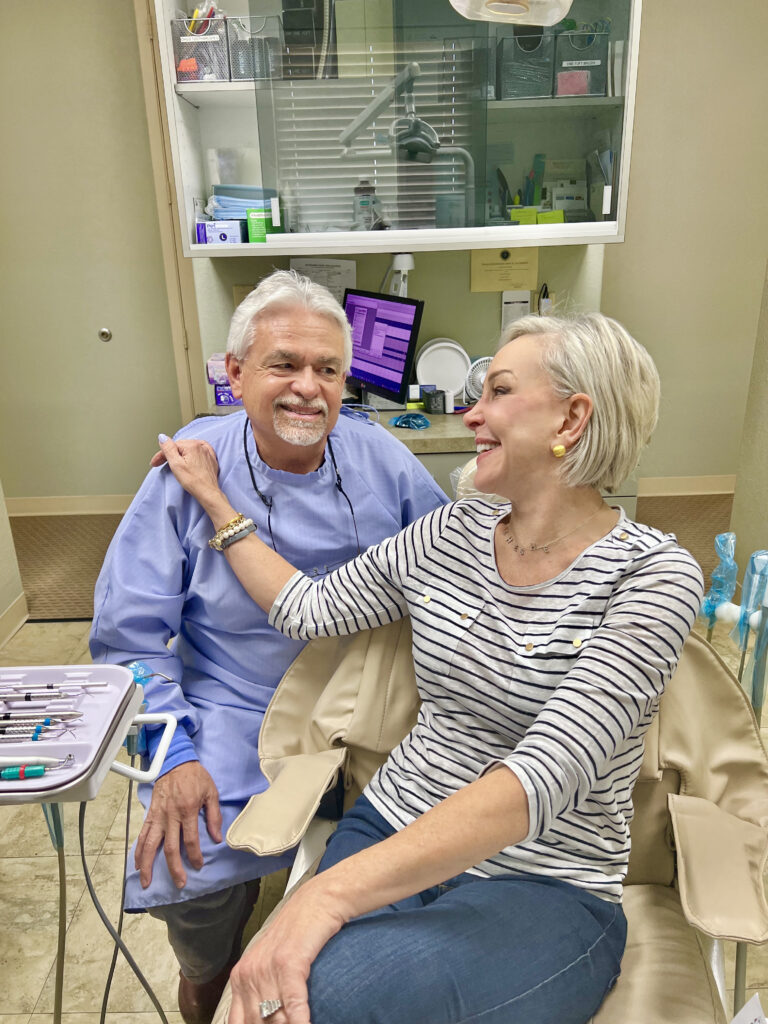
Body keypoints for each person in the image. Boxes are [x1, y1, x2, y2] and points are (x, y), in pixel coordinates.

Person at [156, 311, 704, 1024]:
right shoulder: (454, 530)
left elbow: (541, 778)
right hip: (391, 823)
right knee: (264, 999)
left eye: (499, 390)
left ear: (573, 417)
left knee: (318, 1000)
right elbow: (312, 608)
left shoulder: (653, 575)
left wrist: (324, 895)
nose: (472, 412)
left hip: (541, 883)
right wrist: (215, 499)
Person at [89, 270, 447, 1024]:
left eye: (328, 369)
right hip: (232, 705)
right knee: (198, 872)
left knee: (412, 875)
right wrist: (174, 757)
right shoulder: (189, 471)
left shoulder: (383, 459)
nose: (308, 389)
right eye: (284, 364)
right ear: (236, 373)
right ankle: (206, 981)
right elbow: (128, 638)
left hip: (368, 705)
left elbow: (454, 567)